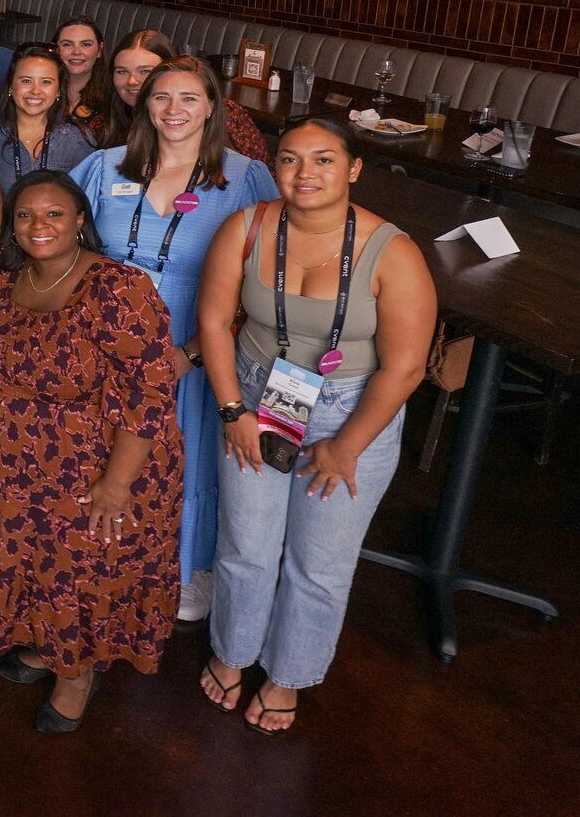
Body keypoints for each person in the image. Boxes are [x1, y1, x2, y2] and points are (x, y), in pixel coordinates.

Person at [196, 116, 436, 735]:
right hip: (258, 393)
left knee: (320, 560)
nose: (305, 174)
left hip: (355, 408)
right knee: (245, 544)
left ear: (354, 168)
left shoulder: (394, 251)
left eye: (324, 160)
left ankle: (287, 675)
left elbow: (406, 367)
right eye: (290, 160)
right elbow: (215, 320)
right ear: (273, 167)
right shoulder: (246, 228)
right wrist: (232, 412)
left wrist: (347, 446)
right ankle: (232, 653)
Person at [0, 172, 183, 733]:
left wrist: (116, 485)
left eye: (54, 214)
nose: (39, 226)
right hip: (19, 468)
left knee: (83, 570)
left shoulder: (119, 288)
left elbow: (151, 390)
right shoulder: (7, 277)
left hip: (95, 467)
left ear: (80, 219)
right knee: (38, 565)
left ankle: (77, 673)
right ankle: (48, 643)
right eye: (25, 216)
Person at [71, 56, 277, 622]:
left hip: (195, 346)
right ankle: (114, 562)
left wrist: (189, 353)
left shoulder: (245, 178)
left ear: (213, 106)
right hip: (107, 348)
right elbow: (64, 242)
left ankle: (185, 572)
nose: (174, 110)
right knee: (108, 455)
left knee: (189, 456)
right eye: (162, 97)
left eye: (189, 98)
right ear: (144, 104)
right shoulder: (105, 165)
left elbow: (264, 279)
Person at [106, 29, 270, 162]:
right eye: (121, 71)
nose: (132, 81)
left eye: (145, 71)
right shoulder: (106, 120)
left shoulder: (229, 116)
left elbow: (264, 180)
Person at [0, 46, 96, 197]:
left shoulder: (77, 140)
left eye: (46, 82)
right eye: (26, 81)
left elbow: (86, 202)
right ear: (11, 86)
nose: (35, 90)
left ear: (58, 90)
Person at [54, 17, 112, 136]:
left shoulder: (112, 98)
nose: (76, 52)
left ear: (99, 50)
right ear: (55, 50)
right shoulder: (39, 91)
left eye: (86, 44)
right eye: (67, 44)